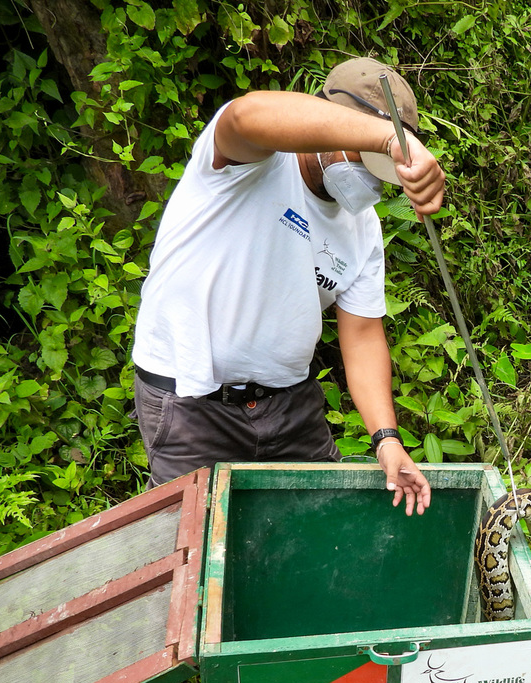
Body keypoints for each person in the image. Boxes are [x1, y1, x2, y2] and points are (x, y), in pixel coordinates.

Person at [130, 57, 440, 515]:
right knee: (193, 553)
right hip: (191, 401)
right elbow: (246, 115)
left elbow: (362, 335)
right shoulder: (250, 162)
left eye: (382, 168)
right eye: (363, 154)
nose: (371, 176)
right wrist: (385, 136)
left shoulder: (364, 228)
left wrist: (386, 439)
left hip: (289, 404)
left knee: (322, 533)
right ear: (326, 122)